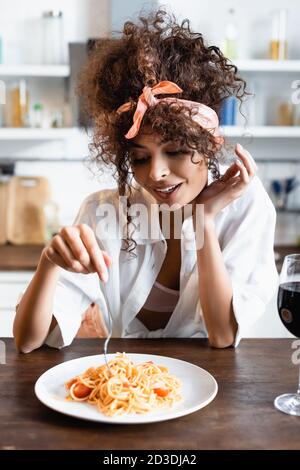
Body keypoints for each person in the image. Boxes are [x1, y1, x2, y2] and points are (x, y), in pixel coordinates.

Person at [13, 10, 278, 353]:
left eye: (177, 151)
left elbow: (223, 335)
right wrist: (48, 263)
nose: (155, 173)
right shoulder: (103, 211)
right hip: (127, 390)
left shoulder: (245, 204)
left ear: (210, 145)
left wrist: (205, 221)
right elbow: (27, 341)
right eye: (140, 157)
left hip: (215, 393)